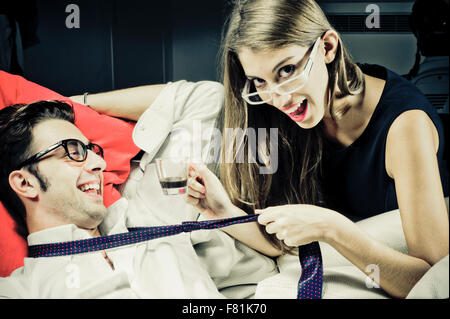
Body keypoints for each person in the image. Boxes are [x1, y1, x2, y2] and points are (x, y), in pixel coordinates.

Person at [184, 0, 449, 299]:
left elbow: (434, 282)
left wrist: (333, 229)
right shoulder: (283, 112)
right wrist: (221, 211)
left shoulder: (405, 127)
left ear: (327, 48)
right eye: (260, 81)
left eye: (286, 70)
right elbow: (285, 244)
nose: (279, 98)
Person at [0, 90, 229, 298]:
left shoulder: (152, 214)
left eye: (93, 150)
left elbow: (207, 98)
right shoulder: (20, 291)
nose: (99, 163)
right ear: (25, 183)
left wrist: (73, 102)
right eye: (73, 152)